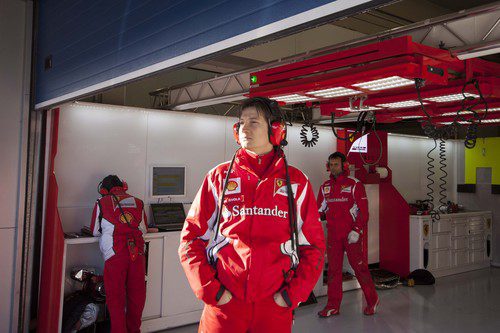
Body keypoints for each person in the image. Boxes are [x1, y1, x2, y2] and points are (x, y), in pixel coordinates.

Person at [179, 97, 325, 333]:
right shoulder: (218, 177)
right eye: (241, 123)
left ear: (275, 130)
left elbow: (314, 246)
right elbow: (190, 239)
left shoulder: (296, 182)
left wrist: (291, 296)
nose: (244, 128)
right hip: (224, 304)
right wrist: (211, 290)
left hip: (274, 306)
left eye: (254, 122)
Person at [317, 152, 379, 317]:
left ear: (344, 165)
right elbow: (319, 211)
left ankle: (372, 301)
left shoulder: (355, 184)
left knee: (360, 268)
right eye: (330, 164)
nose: (333, 167)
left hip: (351, 235)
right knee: (333, 271)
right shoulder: (325, 187)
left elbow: (364, 212)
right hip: (333, 236)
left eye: (336, 164)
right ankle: (333, 306)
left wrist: (357, 230)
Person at [90, 175, 148, 333]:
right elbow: (143, 229)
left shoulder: (101, 202)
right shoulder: (138, 202)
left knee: (115, 298)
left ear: (103, 190)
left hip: (114, 253)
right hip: (137, 252)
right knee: (136, 296)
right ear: (123, 186)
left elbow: (95, 231)